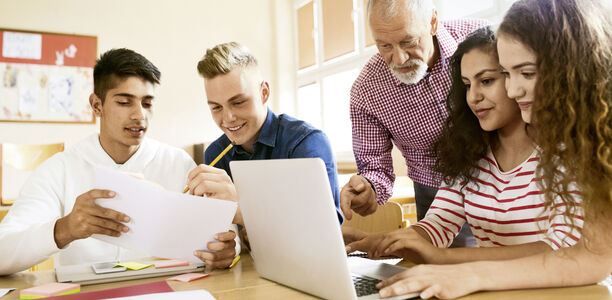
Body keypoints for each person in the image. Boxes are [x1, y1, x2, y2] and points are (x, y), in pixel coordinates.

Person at [375, 0, 612, 298]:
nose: (513, 91)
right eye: (509, 75)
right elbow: (592, 256)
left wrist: (454, 265)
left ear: (573, 68)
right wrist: (393, 243)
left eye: (526, 73)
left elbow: (580, 255)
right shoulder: (588, 140)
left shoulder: (579, 146)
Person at [344, 26, 581, 264]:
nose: (473, 97)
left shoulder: (568, 152)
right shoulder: (470, 154)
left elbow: (564, 246)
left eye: (486, 81)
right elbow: (438, 225)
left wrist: (445, 257)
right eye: (467, 85)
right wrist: (376, 241)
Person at [0, 48, 238, 275]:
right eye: (124, 102)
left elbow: (226, 239)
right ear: (97, 105)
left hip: (166, 290)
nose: (139, 115)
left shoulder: (177, 163)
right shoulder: (59, 169)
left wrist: (226, 251)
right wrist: (65, 229)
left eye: (147, 103)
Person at [342, 0, 486, 247]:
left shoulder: (483, 43)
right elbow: (374, 165)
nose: (398, 58)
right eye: (384, 45)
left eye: (408, 41)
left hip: (505, 184)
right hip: (435, 196)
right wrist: (369, 188)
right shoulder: (367, 90)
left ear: (432, 22)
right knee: (441, 271)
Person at [191, 42, 342, 225]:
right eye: (216, 107)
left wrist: (240, 210)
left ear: (264, 93)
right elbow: (225, 233)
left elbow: (322, 226)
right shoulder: (215, 154)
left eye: (238, 102)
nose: (228, 118)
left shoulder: (306, 143)